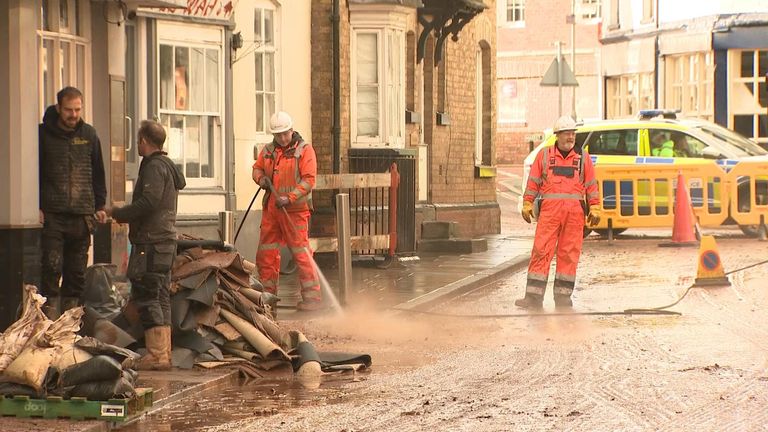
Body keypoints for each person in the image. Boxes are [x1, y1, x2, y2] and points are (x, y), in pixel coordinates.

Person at [107, 120, 186, 370]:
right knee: (160, 295)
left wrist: (119, 213)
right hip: (165, 241)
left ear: (143, 141)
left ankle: (156, 354)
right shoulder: (168, 167)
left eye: (139, 140)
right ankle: (163, 353)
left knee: (150, 295)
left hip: (151, 242)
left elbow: (148, 202)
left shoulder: (153, 167)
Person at [517, 116, 600, 309]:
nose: (571, 137)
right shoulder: (544, 156)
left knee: (569, 254)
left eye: (573, 133)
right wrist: (527, 203)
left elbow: (591, 186)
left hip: (574, 216)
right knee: (541, 250)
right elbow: (533, 183)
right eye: (567, 134)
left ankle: (563, 298)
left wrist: (595, 206)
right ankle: (533, 298)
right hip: (550, 214)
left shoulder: (583, 158)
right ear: (557, 136)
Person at [39, 86, 108, 316]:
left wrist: (99, 205)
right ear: (59, 108)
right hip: (53, 212)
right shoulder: (42, 135)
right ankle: (48, 322)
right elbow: (34, 171)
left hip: (82, 214)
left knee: (76, 273)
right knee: (51, 266)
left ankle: (69, 326)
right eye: (69, 110)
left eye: (78, 109)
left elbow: (98, 171)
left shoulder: (89, 135)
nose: (74, 115)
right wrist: (36, 205)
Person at [252, 111, 322, 311]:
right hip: (272, 211)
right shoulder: (267, 151)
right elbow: (257, 169)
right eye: (278, 135)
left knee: (301, 254)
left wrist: (289, 198)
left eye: (285, 133)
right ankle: (268, 298)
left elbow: (309, 180)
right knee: (266, 254)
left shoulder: (304, 151)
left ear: (291, 130)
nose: (282, 138)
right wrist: (260, 178)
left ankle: (312, 299)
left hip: (295, 211)